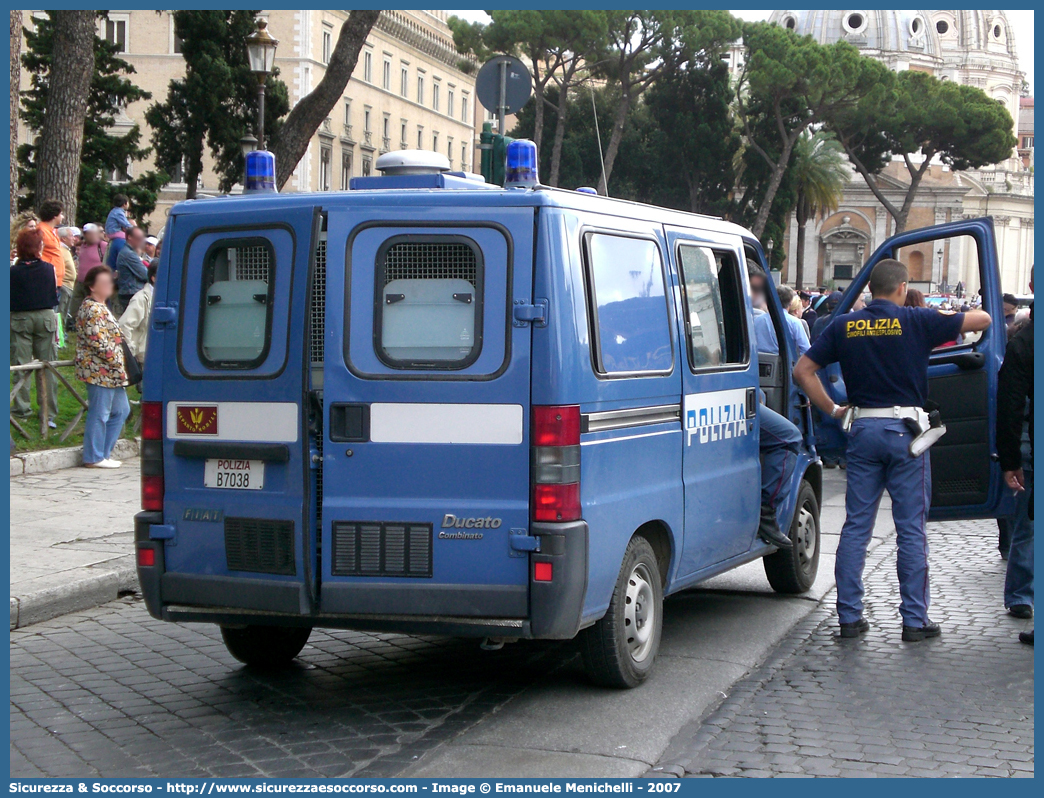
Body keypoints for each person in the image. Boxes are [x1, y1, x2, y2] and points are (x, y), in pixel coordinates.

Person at [793, 258, 991, 641]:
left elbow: (803, 371)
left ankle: (849, 618)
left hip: (863, 429)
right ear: (902, 288)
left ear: (870, 289)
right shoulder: (917, 320)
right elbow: (982, 320)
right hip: (907, 434)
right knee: (910, 529)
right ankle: (914, 621)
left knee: (856, 528)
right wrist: (949, 311)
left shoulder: (844, 325)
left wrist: (834, 409)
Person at [747, 264, 802, 550]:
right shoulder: (792, 323)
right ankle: (766, 513)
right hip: (741, 395)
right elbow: (806, 360)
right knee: (790, 436)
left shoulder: (749, 316)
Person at [996, 273, 1033, 644]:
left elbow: (1009, 405)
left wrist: (1009, 461)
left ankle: (1021, 594)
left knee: (1027, 523)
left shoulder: (1024, 341)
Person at [75, 265, 131, 468]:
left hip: (110, 372)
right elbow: (97, 340)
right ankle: (94, 456)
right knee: (100, 412)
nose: (109, 286)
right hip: (99, 371)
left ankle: (103, 453)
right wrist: (116, 361)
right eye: (104, 282)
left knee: (121, 410)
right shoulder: (92, 308)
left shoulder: (100, 306)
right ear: (91, 286)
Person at [10, 227, 60, 426]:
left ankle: (21, 408)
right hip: (46, 315)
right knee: (48, 365)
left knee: (21, 365)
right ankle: (49, 413)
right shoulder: (49, 268)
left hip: (20, 317)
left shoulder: (12, 271)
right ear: (38, 248)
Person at [750, 269, 811, 358]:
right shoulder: (795, 323)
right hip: (784, 364)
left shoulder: (757, 320)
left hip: (760, 363)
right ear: (790, 302)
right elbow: (806, 349)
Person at [119, 262, 156, 366]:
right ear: (154, 278)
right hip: (143, 360)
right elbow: (124, 325)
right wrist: (131, 353)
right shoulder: (141, 299)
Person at [71, 224, 107, 323]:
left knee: (93, 308)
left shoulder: (102, 246)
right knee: (75, 306)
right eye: (88, 233)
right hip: (80, 282)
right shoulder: (82, 245)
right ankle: (75, 325)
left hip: (94, 283)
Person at [115, 227, 148, 314]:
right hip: (130, 294)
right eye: (139, 238)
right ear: (129, 237)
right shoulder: (128, 254)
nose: (141, 241)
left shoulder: (130, 252)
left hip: (130, 293)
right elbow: (145, 274)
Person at [37, 200, 65, 291]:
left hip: (55, 279)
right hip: (46, 278)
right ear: (54, 216)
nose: (63, 217)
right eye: (61, 214)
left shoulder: (53, 231)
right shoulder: (41, 230)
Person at [56, 226, 80, 325]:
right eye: (71, 236)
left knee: (64, 314)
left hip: (68, 287)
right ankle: (58, 338)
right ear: (63, 238)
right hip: (64, 287)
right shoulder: (60, 250)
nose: (74, 238)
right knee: (60, 314)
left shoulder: (66, 250)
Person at [104, 194, 134, 268]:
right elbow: (126, 224)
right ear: (125, 204)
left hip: (112, 232)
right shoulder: (119, 212)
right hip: (114, 232)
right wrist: (134, 229)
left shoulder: (114, 211)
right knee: (128, 238)